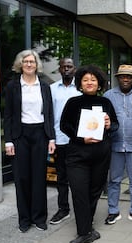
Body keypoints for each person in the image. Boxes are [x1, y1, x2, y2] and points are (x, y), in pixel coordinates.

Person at [60, 65, 119, 243]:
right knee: (79, 192)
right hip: (77, 155)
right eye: (85, 80)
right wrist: (80, 137)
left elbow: (116, 125)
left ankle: (87, 228)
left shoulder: (106, 103)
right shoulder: (73, 102)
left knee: (94, 191)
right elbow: (64, 125)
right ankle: (84, 233)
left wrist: (109, 125)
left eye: (93, 80)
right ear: (80, 83)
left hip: (100, 155)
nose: (89, 83)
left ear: (99, 83)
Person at [4, 49, 56, 233]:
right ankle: (24, 220)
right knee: (22, 178)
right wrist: (8, 141)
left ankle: (39, 218)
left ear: (36, 65)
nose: (28, 64)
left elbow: (49, 113)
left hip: (40, 134)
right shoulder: (12, 86)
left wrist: (51, 137)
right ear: (20, 64)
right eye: (25, 61)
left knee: (39, 178)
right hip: (20, 136)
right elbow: (8, 115)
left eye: (32, 62)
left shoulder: (44, 86)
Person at [104, 65, 132, 225]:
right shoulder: (108, 95)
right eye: (122, 76)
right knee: (114, 180)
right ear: (118, 78)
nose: (125, 79)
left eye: (128, 77)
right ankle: (113, 211)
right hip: (114, 145)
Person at [49, 57, 81, 225]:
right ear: (60, 69)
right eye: (64, 66)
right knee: (61, 177)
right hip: (59, 140)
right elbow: (48, 115)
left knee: (78, 177)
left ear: (74, 69)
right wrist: (51, 138)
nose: (67, 69)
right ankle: (63, 209)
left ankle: (81, 209)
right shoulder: (52, 89)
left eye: (70, 66)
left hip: (78, 140)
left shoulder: (81, 89)